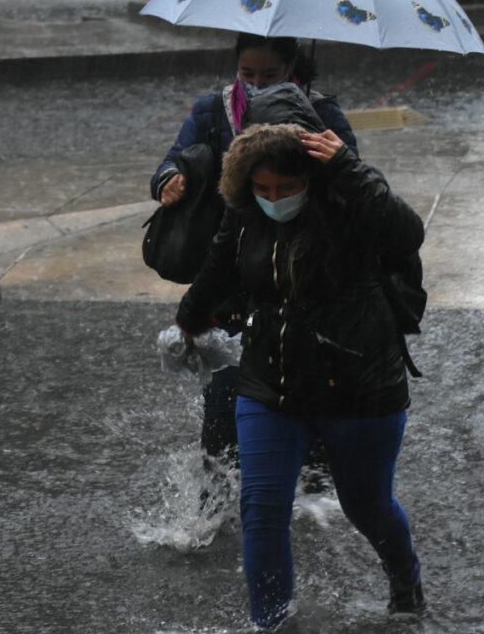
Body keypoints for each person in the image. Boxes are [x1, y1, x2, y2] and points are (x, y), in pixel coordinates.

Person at [174, 116, 426, 628]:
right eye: (263, 189)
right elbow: (218, 267)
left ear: (310, 180)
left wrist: (348, 167)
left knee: (367, 506)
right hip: (270, 383)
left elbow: (407, 233)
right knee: (263, 509)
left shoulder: (349, 202)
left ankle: (406, 581)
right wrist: (187, 323)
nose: (274, 198)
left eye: (287, 188)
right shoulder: (245, 213)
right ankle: (271, 622)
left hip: (360, 387)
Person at [151, 33, 357, 472]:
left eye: (270, 75)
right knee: (225, 405)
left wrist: (330, 161)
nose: (257, 84)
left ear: (291, 68)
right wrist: (170, 180)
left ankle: (311, 484)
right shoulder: (214, 110)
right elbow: (172, 161)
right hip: (232, 275)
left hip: (302, 277)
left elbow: (354, 182)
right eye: (248, 74)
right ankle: (220, 486)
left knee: (306, 391)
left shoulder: (320, 112)